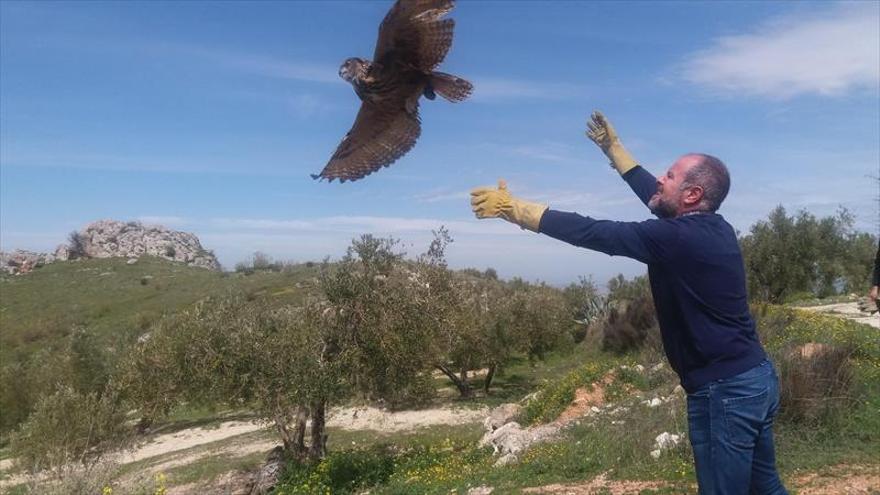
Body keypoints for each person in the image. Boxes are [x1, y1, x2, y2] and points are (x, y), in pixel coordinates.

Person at [470, 111, 787, 495]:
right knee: (765, 488)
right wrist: (614, 149)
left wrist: (514, 209)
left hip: (724, 392)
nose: (660, 180)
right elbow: (653, 196)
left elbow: (595, 233)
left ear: (692, 195)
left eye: (669, 176)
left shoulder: (675, 239)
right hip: (753, 379)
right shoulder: (710, 227)